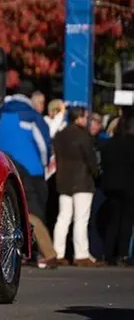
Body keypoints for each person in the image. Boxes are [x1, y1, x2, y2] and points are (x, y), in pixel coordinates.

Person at [0, 80, 57, 268]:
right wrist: (43, 164)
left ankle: (18, 251)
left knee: (9, 208)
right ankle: (44, 252)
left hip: (3, 166)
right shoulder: (32, 116)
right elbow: (43, 144)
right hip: (31, 169)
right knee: (34, 211)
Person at [52, 106, 102, 267]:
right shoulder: (84, 136)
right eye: (85, 117)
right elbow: (91, 160)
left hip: (63, 180)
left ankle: (57, 252)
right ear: (79, 118)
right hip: (82, 182)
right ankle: (81, 255)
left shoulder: (60, 135)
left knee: (63, 218)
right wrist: (96, 173)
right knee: (81, 219)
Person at [99, 110, 134, 265]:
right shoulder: (131, 144)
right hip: (129, 186)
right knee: (126, 221)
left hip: (111, 185)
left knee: (113, 221)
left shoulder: (109, 144)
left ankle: (108, 253)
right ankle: (123, 254)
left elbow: (104, 165)